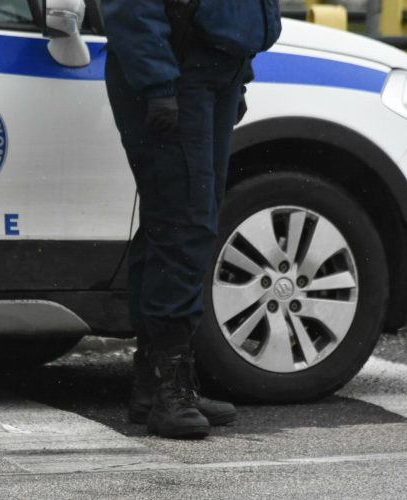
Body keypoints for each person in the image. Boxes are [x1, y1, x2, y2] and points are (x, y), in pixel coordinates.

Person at [101, 0, 252, 439]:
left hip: (212, 70)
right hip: (174, 71)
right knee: (183, 226)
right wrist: (157, 83)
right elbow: (132, 6)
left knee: (176, 224)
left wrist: (239, 72)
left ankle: (154, 386)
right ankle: (171, 392)